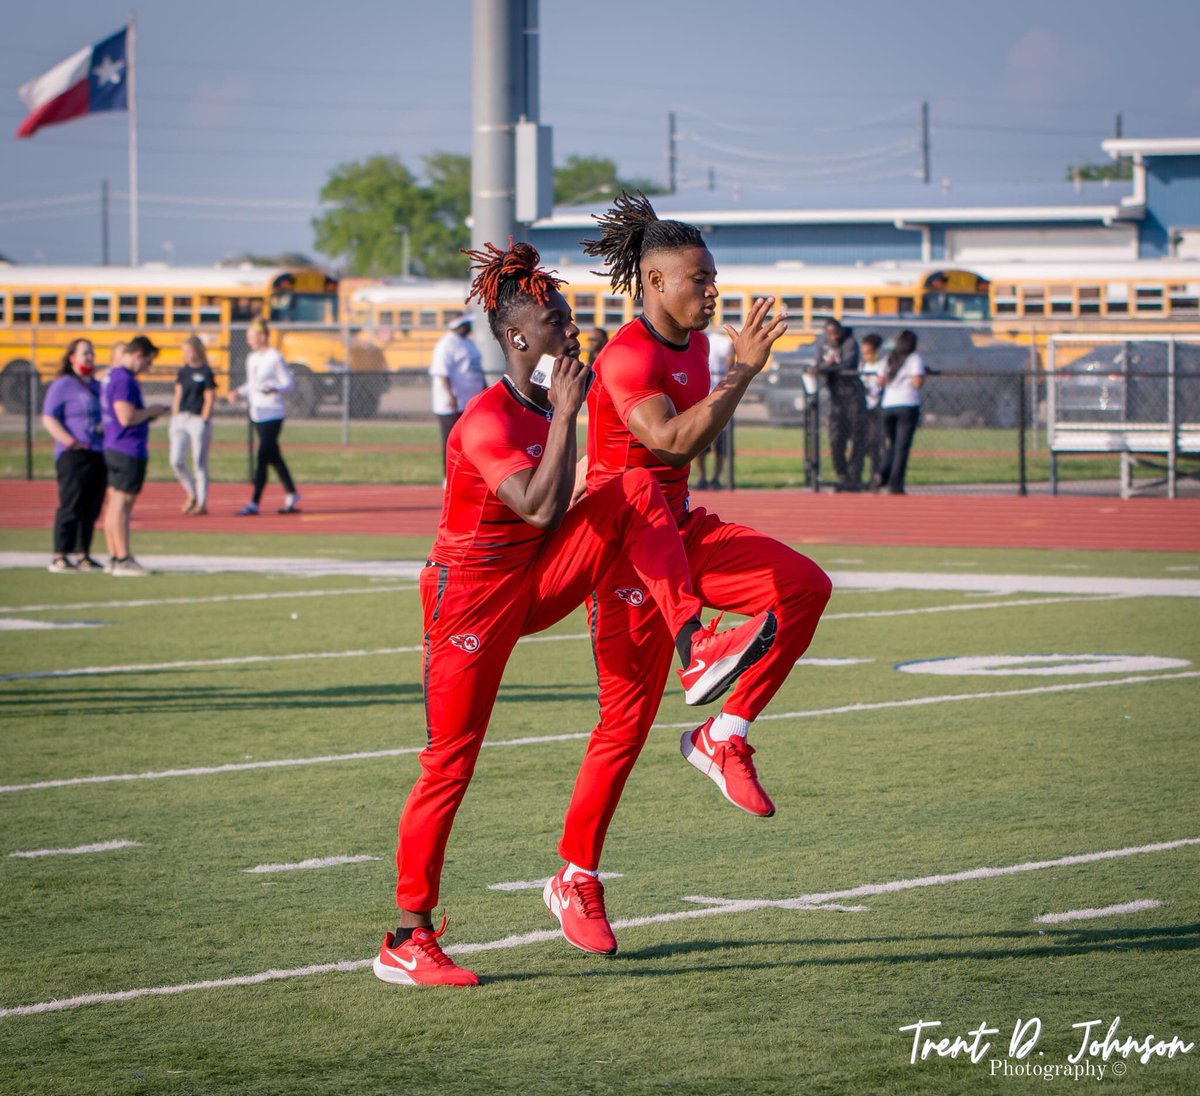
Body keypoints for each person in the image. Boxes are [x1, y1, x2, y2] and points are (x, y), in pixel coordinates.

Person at [374, 241, 775, 987]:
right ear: (522, 339)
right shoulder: (487, 421)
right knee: (448, 768)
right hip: (469, 606)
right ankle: (407, 936)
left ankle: (696, 641)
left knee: (635, 488)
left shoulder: (553, 398)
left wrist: (586, 448)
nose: (573, 331)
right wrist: (566, 418)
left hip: (532, 582)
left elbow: (584, 493)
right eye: (559, 322)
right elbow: (537, 505)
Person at [561, 192, 831, 880]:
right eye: (700, 280)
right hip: (624, 558)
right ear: (655, 284)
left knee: (805, 586)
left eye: (714, 278)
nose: (713, 291)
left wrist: (732, 371)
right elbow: (673, 443)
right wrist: (743, 374)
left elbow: (690, 446)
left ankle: (723, 733)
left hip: (681, 533)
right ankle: (575, 879)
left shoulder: (704, 348)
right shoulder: (626, 356)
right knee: (620, 733)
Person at [100, 335, 169, 576]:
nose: (147, 369)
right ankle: (122, 558)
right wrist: (151, 411)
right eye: (147, 362)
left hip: (114, 445)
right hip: (126, 447)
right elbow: (126, 416)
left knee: (115, 504)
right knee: (121, 503)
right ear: (138, 354)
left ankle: (114, 556)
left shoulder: (111, 376)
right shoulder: (123, 379)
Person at [41, 338, 106, 573]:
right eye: (84, 353)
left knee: (91, 506)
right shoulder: (63, 385)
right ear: (73, 358)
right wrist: (68, 440)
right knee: (71, 503)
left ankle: (83, 554)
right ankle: (60, 554)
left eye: (92, 353)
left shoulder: (97, 386)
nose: (89, 357)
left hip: (97, 452)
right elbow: (49, 417)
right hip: (73, 453)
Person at [235, 320, 300, 515]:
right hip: (257, 412)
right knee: (273, 457)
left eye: (252, 337)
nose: (249, 341)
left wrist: (275, 389)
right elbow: (252, 384)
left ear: (262, 337)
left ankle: (254, 502)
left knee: (262, 456)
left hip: (273, 412)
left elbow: (288, 383)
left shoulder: (274, 357)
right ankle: (292, 493)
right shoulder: (251, 358)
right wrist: (237, 392)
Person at [810, 318, 866, 491]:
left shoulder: (850, 343)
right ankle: (842, 474)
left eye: (836, 333)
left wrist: (827, 366)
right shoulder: (823, 345)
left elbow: (847, 364)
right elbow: (818, 364)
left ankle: (854, 475)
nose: (834, 337)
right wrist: (826, 366)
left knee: (857, 438)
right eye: (830, 334)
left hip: (853, 396)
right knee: (836, 439)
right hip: (836, 399)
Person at [429, 313, 486, 475]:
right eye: (466, 324)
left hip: (470, 402)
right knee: (451, 441)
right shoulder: (446, 345)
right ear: (459, 326)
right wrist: (451, 397)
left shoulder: (469, 343)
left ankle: (466, 474)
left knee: (471, 442)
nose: (469, 327)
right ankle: (448, 476)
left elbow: (477, 371)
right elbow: (441, 373)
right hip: (452, 405)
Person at [169, 336, 216, 515]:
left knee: (199, 462)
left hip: (197, 420)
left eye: (190, 351)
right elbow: (178, 394)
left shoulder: (205, 372)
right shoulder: (183, 372)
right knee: (176, 460)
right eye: (184, 351)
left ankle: (202, 503)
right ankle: (191, 492)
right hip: (181, 419)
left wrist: (204, 419)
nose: (187, 355)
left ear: (198, 351)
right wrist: (175, 416)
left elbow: (209, 397)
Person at [876, 329, 925, 495]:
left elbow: (880, 381)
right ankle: (895, 483)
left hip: (888, 404)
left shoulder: (888, 359)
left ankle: (881, 473)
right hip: (907, 404)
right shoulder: (914, 359)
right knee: (902, 446)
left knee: (894, 444)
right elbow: (917, 382)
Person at [695, 327, 732, 490]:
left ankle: (716, 478)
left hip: (718, 398)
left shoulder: (717, 340)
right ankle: (702, 477)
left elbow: (730, 351)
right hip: (699, 400)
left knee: (720, 443)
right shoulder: (688, 339)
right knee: (698, 444)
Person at [859, 333, 886, 492]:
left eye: (868, 352)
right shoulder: (863, 365)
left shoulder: (881, 364)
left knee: (876, 443)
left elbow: (881, 383)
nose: (866, 356)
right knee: (864, 444)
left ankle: (877, 476)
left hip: (878, 407)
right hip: (864, 408)